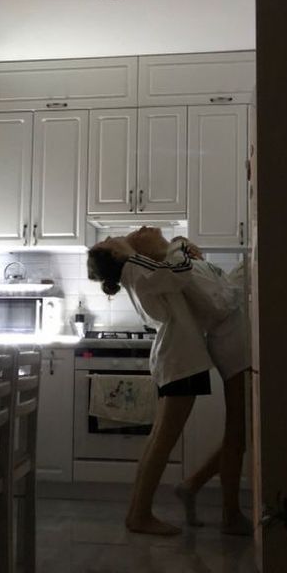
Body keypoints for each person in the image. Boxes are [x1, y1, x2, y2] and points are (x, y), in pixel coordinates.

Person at [87, 226, 251, 537]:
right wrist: (179, 244)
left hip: (178, 357)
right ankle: (139, 514)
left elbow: (182, 275)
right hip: (181, 359)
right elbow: (178, 272)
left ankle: (139, 511)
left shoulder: (139, 268)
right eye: (110, 240)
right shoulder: (139, 266)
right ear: (117, 253)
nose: (139, 229)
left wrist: (179, 247)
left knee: (158, 439)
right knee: (162, 440)